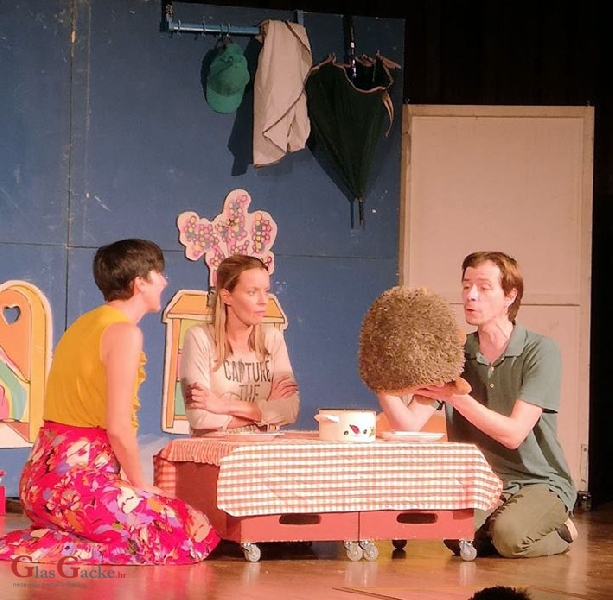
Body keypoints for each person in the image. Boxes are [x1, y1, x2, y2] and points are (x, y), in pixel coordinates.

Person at [0, 239, 220, 565]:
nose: (164, 282)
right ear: (140, 282)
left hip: (39, 483)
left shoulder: (84, 324)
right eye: (158, 274)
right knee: (187, 529)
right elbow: (118, 428)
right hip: (75, 486)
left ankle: (59, 539)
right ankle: (56, 549)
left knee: (175, 519)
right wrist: (141, 486)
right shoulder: (124, 333)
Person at [377, 251, 577, 558]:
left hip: (538, 481)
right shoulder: (456, 353)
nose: (471, 295)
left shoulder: (540, 350)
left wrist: (456, 397)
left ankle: (562, 531)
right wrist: (381, 379)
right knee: (454, 537)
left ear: (510, 296)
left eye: (484, 287)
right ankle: (497, 523)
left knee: (509, 537)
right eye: (466, 286)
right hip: (481, 481)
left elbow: (513, 434)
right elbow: (408, 424)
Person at [180, 254, 299, 433]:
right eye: (252, 292)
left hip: (262, 448)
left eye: (266, 291)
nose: (263, 300)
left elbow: (289, 411)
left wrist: (222, 405)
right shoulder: (199, 338)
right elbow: (200, 417)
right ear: (226, 296)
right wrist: (265, 411)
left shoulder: (272, 338)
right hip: (215, 449)